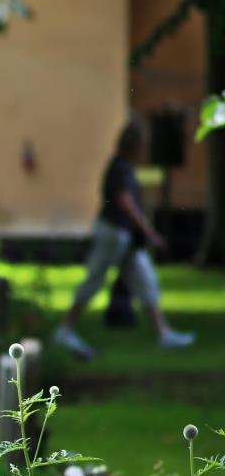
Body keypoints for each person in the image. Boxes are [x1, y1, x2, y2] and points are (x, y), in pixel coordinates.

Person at [52, 122, 194, 359]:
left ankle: (163, 333)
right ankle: (65, 329)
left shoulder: (124, 167)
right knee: (95, 278)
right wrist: (148, 231)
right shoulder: (119, 168)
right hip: (113, 233)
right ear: (134, 145)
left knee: (145, 279)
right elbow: (125, 202)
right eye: (143, 143)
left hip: (126, 237)